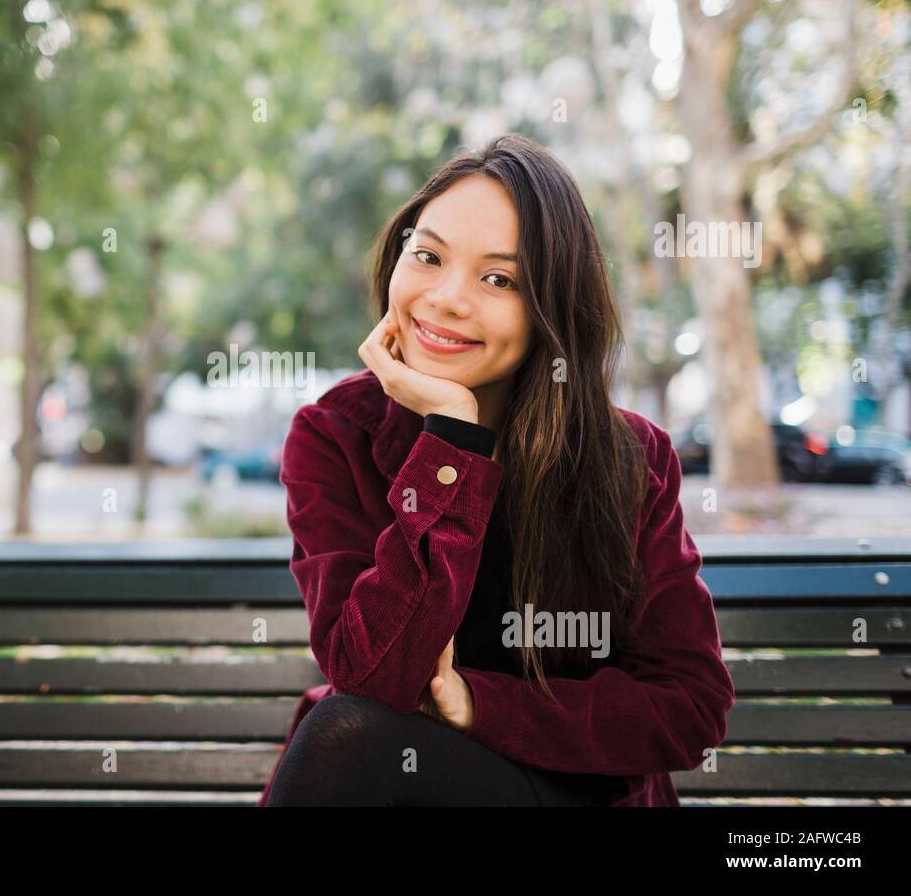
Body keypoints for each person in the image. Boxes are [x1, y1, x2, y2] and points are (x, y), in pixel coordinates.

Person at [259, 134, 735, 806]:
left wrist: (476, 706)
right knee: (349, 731)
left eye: (499, 279)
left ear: (551, 309)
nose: (447, 299)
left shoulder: (629, 458)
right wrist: (451, 440)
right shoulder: (336, 435)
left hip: (573, 798)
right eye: (427, 256)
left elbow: (687, 707)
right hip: (395, 780)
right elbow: (373, 678)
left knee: (349, 738)